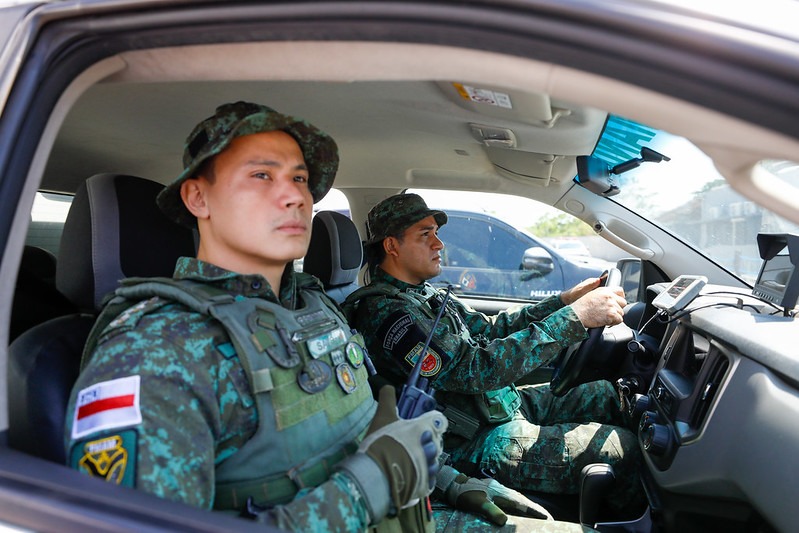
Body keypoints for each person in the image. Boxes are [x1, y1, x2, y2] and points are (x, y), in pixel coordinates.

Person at [63, 102, 591, 532]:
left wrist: (448, 480)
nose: (295, 195)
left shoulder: (315, 309)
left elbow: (361, 430)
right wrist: (370, 486)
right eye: (262, 175)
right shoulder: (155, 350)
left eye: (299, 178)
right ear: (198, 196)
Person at [343, 193, 646, 518]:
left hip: (493, 408)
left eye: (436, 232)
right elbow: (470, 369)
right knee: (622, 449)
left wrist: (563, 302)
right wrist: (574, 319)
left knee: (613, 397)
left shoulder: (422, 293)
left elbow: (490, 330)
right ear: (391, 246)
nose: (439, 244)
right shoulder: (385, 314)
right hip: (469, 440)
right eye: (425, 234)